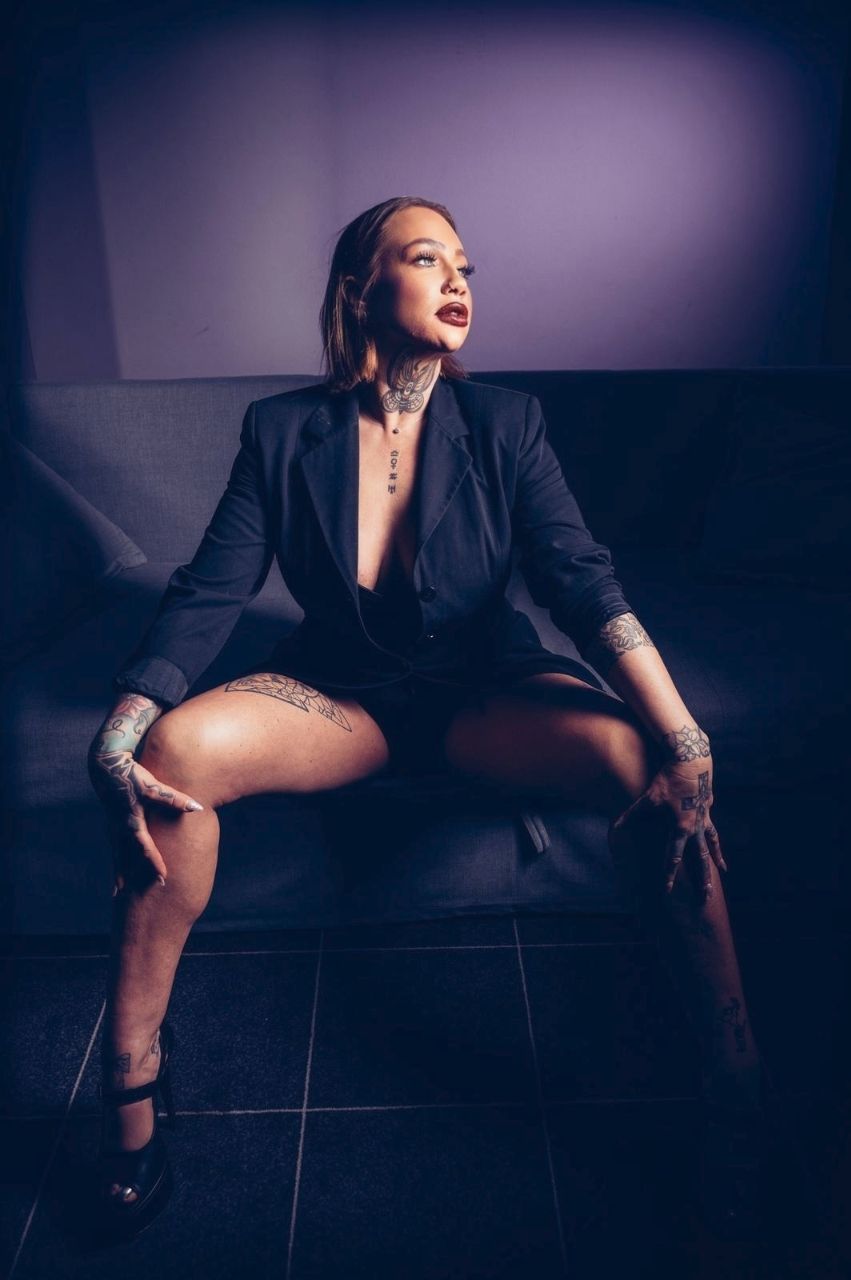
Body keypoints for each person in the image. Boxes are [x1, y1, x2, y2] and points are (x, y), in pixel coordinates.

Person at [87, 195, 774, 1241]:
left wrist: (684, 735)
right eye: (423, 258)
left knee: (645, 762)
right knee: (168, 753)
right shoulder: (281, 429)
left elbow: (580, 581)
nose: (456, 279)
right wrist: (125, 718)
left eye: (463, 264)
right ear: (359, 289)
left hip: (481, 692)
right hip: (342, 699)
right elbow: (211, 588)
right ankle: (131, 1079)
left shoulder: (505, 420)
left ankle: (735, 1085)